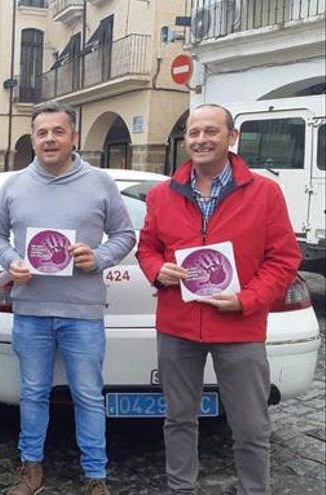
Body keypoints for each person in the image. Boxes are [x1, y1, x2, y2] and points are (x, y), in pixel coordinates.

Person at [136, 104, 300, 495]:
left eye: (211, 131)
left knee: (251, 426)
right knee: (178, 420)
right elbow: (147, 248)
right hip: (178, 325)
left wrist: (247, 299)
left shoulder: (265, 193)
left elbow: (284, 258)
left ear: (232, 137)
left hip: (240, 327)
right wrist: (157, 269)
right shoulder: (162, 194)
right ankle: (181, 490)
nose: (200, 140)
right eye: (193, 133)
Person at [0, 102, 136, 495]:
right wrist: (11, 260)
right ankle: (30, 469)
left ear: (74, 137)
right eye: (41, 133)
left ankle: (95, 476)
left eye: (58, 131)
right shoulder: (15, 185)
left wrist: (98, 257)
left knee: (88, 395)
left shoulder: (100, 182)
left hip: (82, 312)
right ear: (32, 139)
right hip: (31, 309)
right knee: (32, 393)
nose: (49, 139)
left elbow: (125, 235)